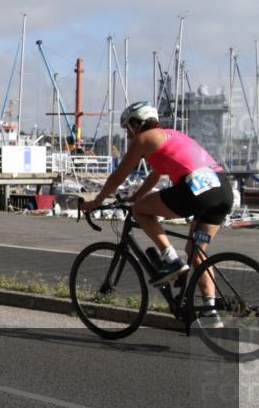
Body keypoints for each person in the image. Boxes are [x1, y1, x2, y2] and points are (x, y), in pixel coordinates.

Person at [81, 102, 233, 325]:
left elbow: (117, 177)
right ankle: (210, 310)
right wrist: (136, 195)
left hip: (196, 190)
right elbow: (155, 175)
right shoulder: (170, 135)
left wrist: (96, 201)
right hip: (222, 190)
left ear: (136, 123)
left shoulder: (145, 138)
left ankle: (170, 259)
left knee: (139, 210)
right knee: (196, 251)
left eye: (127, 128)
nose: (128, 134)